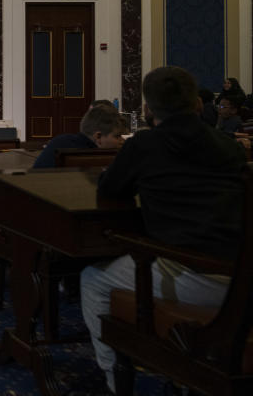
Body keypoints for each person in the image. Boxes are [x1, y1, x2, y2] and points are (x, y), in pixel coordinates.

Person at [80, 66, 246, 393]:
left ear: (147, 110)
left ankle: (116, 381)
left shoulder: (144, 145)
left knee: (92, 280)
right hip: (243, 276)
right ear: (199, 105)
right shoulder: (230, 146)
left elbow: (110, 190)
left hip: (192, 274)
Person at [32, 105, 125, 168]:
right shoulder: (86, 157)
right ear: (98, 137)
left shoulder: (61, 140)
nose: (122, 141)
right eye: (117, 136)